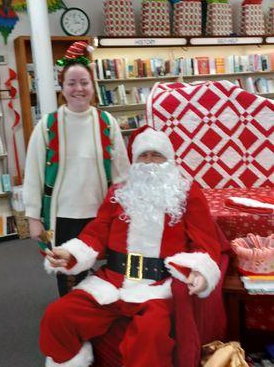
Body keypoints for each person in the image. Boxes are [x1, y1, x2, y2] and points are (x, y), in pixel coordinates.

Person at [39, 126, 222, 367]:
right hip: (111, 281)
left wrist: (199, 271)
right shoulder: (120, 193)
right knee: (58, 315)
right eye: (143, 156)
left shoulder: (187, 194)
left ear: (169, 160)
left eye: (156, 155)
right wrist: (71, 253)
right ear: (134, 162)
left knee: (150, 336)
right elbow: (97, 232)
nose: (149, 163)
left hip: (156, 288)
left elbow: (205, 243)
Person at [23, 41, 130, 296]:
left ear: (93, 86)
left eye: (84, 82)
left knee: (106, 269)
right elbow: (33, 174)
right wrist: (33, 218)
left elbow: (122, 172)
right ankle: (73, 323)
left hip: (100, 213)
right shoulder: (48, 125)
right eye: (71, 83)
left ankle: (98, 317)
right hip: (62, 216)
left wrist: (126, 209)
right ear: (62, 87)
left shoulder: (107, 123)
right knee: (67, 272)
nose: (78, 89)